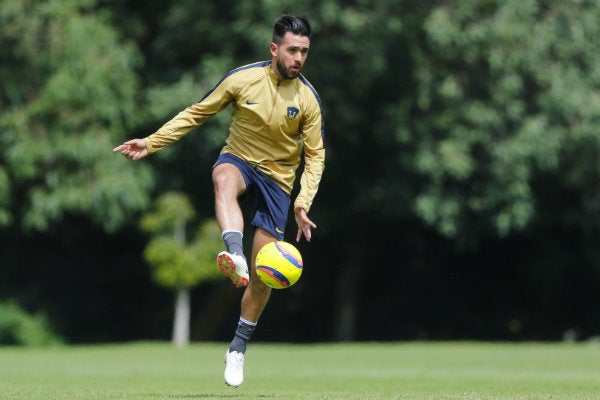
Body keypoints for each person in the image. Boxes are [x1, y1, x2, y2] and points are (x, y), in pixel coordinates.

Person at [113, 14, 325, 387]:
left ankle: (238, 349)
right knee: (222, 177)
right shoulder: (242, 79)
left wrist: (303, 201)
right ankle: (234, 252)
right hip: (240, 159)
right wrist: (151, 142)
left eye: (304, 52)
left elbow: (316, 155)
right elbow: (197, 112)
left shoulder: (308, 99)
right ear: (274, 48)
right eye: (293, 50)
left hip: (278, 182)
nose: (299, 58)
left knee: (264, 274)